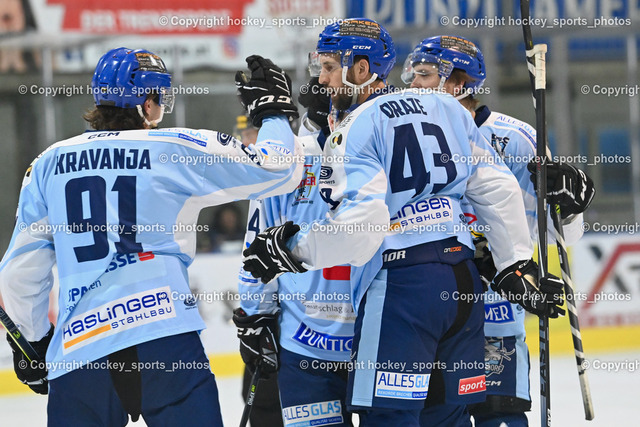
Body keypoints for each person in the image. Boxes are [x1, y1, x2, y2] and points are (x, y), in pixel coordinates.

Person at [241, 19, 565, 427]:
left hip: (403, 284)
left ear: (361, 69)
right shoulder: (445, 107)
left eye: (329, 67)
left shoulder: (354, 128)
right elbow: (496, 186)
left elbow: (363, 226)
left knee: (390, 417)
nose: (321, 79)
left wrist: (291, 250)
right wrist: (514, 264)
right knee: (444, 418)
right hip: (461, 282)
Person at [0, 48, 303, 426]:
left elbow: (18, 273)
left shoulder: (48, 163)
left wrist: (33, 341)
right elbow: (279, 169)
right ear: (146, 104)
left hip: (80, 350)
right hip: (164, 338)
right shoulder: (175, 149)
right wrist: (272, 111)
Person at [401, 35, 595, 427]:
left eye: (424, 74)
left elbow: (564, 237)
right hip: (430, 317)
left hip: (496, 318)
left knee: (499, 419)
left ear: (459, 83)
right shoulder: (403, 135)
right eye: (413, 74)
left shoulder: (517, 139)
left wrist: (570, 207)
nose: (413, 84)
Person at [234, 74, 359, 427]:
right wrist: (255, 317)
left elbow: (256, 248)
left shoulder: (288, 160)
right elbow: (258, 247)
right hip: (354, 339)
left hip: (314, 340)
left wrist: (255, 317)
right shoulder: (372, 154)